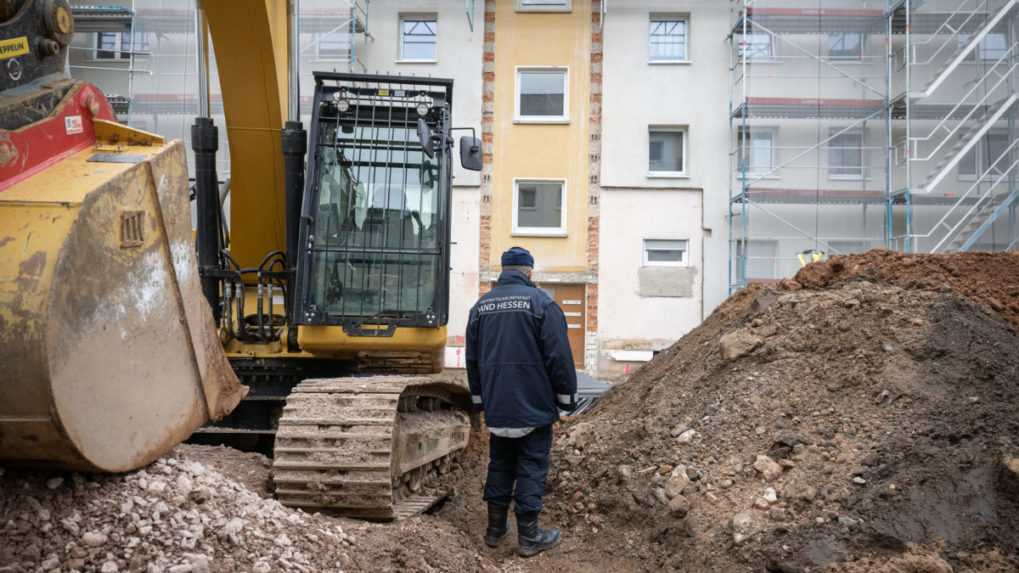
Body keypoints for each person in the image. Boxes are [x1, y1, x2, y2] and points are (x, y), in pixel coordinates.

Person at [465, 246, 578, 558]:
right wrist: (566, 400)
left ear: (503, 270)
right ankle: (529, 538)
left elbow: (472, 360)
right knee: (531, 467)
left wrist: (479, 401)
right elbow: (558, 357)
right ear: (529, 272)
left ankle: (494, 529)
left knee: (500, 464)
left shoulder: (480, 307)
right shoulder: (542, 304)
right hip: (534, 407)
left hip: (498, 407)